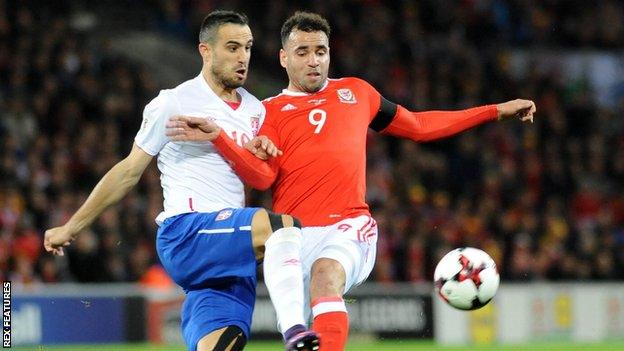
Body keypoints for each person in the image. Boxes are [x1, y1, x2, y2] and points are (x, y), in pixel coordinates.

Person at [166, 11, 536, 351]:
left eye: (321, 51)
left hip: (348, 224)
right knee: (307, 312)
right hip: (294, 234)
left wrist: (495, 111)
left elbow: (420, 127)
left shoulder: (358, 93)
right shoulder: (266, 112)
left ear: (330, 54)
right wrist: (226, 140)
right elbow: (263, 178)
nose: (313, 60)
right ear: (283, 58)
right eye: (302, 52)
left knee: (326, 279)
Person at [43, 10, 319, 351]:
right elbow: (129, 170)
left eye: (247, 47)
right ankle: (295, 330)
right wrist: (71, 227)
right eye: (232, 47)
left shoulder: (256, 110)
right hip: (188, 234)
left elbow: (259, 177)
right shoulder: (173, 102)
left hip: (230, 252)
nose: (242, 57)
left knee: (225, 343)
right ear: (205, 50)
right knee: (284, 228)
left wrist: (259, 150)